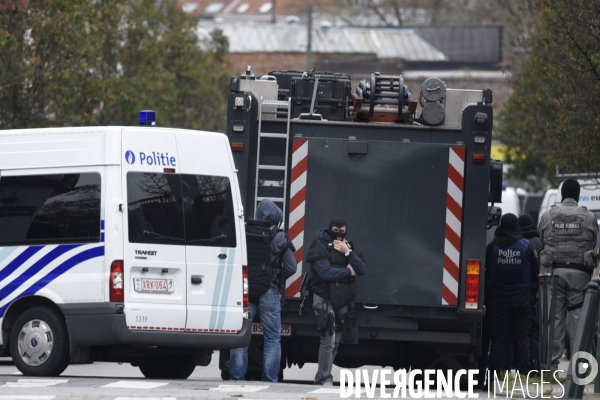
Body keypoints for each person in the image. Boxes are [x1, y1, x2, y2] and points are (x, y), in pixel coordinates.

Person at [229, 199, 297, 382]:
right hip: (269, 290)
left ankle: (236, 378)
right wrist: (277, 278)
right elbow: (292, 267)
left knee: (239, 337)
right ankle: (270, 379)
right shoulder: (279, 236)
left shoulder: (244, 231)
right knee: (273, 339)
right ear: (276, 216)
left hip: (245, 290)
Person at [538, 179, 599, 371]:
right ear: (578, 195)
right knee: (578, 320)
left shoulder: (548, 215)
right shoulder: (588, 217)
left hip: (554, 273)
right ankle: (580, 365)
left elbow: (542, 237)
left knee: (554, 319)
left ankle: (551, 365)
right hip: (580, 275)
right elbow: (593, 240)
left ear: (562, 194)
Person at [306, 217, 366, 386]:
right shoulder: (320, 245)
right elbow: (325, 272)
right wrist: (347, 271)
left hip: (343, 300)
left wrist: (348, 252)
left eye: (342, 232)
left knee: (335, 342)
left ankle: (321, 377)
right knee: (328, 339)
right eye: (336, 231)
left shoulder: (349, 246)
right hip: (324, 297)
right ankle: (325, 378)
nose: (339, 235)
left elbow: (361, 269)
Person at [485, 213, 540, 375]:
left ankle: (496, 373)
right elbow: (536, 274)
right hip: (521, 300)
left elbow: (486, 275)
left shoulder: (492, 247)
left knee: (499, 338)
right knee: (521, 338)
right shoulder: (526, 246)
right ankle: (524, 374)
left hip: (497, 299)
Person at [518, 213, 543, 374]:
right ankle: (539, 367)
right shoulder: (540, 243)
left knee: (522, 335)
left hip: (520, 294)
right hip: (538, 295)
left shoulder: (519, 243)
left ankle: (525, 369)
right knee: (535, 333)